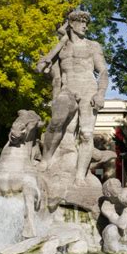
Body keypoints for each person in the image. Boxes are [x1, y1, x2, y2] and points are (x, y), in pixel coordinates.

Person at [36, 10, 109, 185]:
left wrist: (100, 93)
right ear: (71, 24)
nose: (85, 26)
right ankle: (46, 159)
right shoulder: (62, 46)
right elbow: (50, 72)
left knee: (85, 134)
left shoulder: (93, 46)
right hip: (67, 89)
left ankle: (79, 176)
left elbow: (103, 71)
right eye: (80, 22)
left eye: (86, 22)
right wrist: (44, 67)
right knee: (57, 123)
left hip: (88, 90)